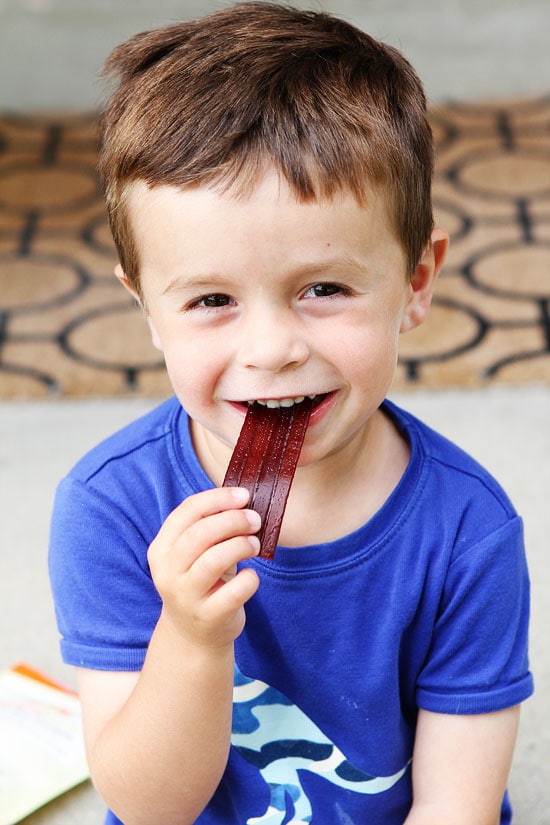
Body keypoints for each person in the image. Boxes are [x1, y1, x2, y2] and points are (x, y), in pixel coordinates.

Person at [48, 4, 533, 824]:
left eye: (324, 288)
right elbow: (148, 806)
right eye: (210, 299)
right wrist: (193, 637)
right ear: (146, 310)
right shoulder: (110, 509)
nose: (271, 348)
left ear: (415, 285)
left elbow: (458, 804)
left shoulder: (467, 530)